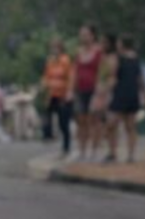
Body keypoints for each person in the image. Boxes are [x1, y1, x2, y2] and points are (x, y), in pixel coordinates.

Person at [105, 35, 143, 164]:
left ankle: (114, 153)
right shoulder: (136, 59)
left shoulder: (118, 59)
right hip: (131, 94)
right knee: (129, 125)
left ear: (122, 45)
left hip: (120, 94)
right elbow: (139, 79)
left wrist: (106, 91)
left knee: (114, 124)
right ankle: (128, 154)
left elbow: (113, 76)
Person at [72, 24, 102, 160]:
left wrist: (100, 90)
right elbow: (75, 71)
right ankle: (82, 150)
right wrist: (71, 89)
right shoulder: (78, 52)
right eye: (81, 34)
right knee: (81, 120)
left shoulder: (99, 51)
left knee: (93, 120)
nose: (83, 37)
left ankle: (94, 150)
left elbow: (102, 71)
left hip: (94, 89)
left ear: (92, 35)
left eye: (85, 34)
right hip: (80, 90)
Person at [42, 38, 73, 156]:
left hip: (62, 94)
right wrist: (44, 84)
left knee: (63, 121)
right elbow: (46, 75)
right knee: (46, 113)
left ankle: (66, 146)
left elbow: (70, 77)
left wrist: (69, 91)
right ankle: (47, 134)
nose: (53, 50)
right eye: (52, 47)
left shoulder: (65, 61)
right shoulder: (50, 61)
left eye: (55, 47)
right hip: (51, 93)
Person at [92, 33, 118, 160]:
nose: (102, 45)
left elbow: (113, 77)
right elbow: (98, 74)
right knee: (98, 121)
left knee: (110, 124)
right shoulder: (102, 58)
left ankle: (112, 151)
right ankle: (101, 149)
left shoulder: (114, 58)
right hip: (100, 91)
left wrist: (107, 90)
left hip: (109, 93)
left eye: (104, 43)